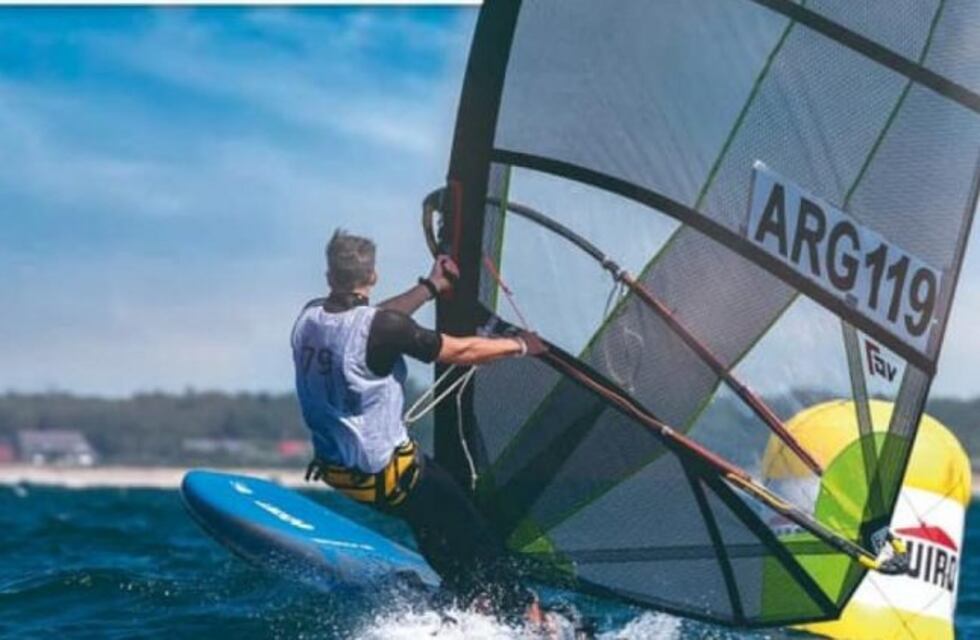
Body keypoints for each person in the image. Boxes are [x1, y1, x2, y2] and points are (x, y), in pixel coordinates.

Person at [292, 229, 546, 621]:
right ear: (373, 276)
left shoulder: (309, 317)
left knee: (428, 523)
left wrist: (430, 287)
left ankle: (465, 600)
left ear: (329, 276)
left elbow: (377, 321)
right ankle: (530, 618)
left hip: (339, 473)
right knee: (474, 532)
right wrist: (521, 345)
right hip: (389, 475)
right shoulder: (382, 329)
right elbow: (460, 350)